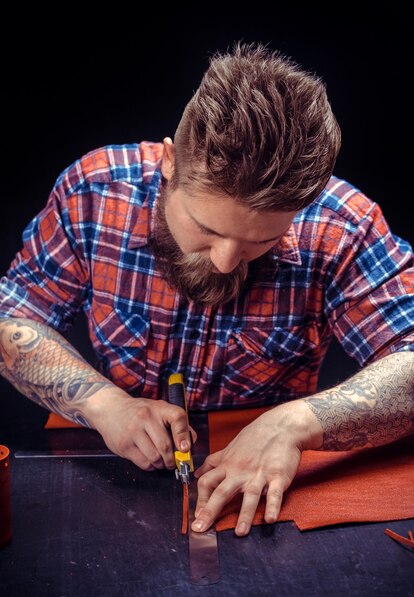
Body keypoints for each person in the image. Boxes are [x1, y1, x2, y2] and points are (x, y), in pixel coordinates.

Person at [0, 43, 413, 537]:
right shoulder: (94, 191)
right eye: (206, 229)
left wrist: (298, 422)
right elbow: (13, 315)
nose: (225, 261)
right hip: (118, 481)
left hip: (271, 478)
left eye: (263, 240)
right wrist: (104, 405)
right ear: (171, 163)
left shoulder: (344, 224)